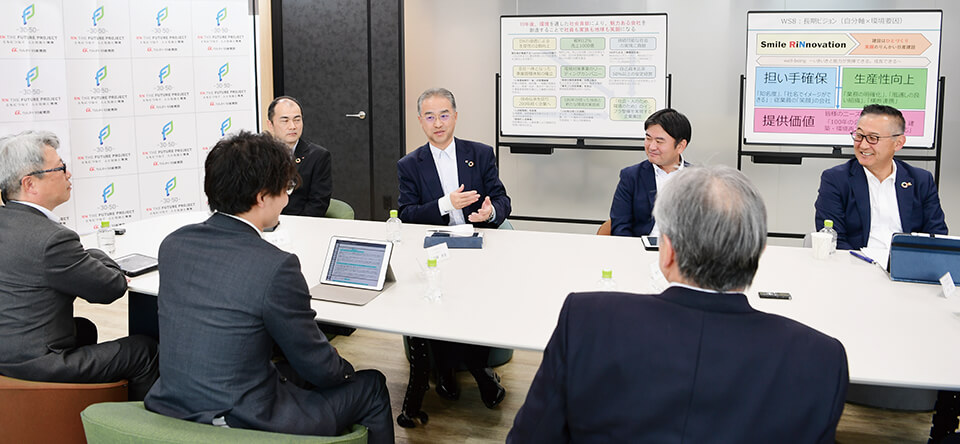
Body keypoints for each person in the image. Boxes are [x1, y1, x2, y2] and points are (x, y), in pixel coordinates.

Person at [509, 165, 849, 443]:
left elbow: (532, 437)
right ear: (757, 252)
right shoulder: (820, 357)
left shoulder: (587, 321)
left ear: (667, 250)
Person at [144, 131, 392, 443]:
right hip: (238, 417)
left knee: (293, 372)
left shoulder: (174, 244)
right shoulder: (276, 265)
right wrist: (346, 371)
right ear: (262, 197)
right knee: (371, 387)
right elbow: (317, 364)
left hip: (173, 402)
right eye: (285, 189)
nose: (287, 198)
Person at [0, 130, 159, 400]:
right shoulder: (51, 239)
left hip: (8, 352)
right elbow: (110, 288)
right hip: (35, 363)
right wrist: (96, 252)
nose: (68, 174)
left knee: (83, 328)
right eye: (60, 168)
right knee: (144, 351)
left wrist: (85, 255)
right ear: (30, 184)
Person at [395, 87, 510, 424]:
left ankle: (477, 366)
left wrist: (488, 213)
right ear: (420, 122)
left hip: (477, 245)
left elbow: (503, 200)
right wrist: (447, 205)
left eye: (444, 114)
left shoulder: (481, 153)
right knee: (438, 296)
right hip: (436, 249)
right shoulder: (409, 164)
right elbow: (407, 214)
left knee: (477, 296)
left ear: (456, 116)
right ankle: (445, 369)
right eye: (429, 117)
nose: (438, 123)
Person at [815, 104, 947, 250]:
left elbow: (936, 235)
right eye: (859, 136)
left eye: (873, 138)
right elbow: (834, 238)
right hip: (855, 265)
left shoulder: (921, 180)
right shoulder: (836, 179)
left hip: (907, 266)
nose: (863, 145)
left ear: (898, 143)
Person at [609, 108, 692, 237]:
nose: (651, 147)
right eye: (648, 138)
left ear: (680, 146)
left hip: (684, 252)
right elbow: (620, 227)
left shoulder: (699, 180)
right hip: (640, 250)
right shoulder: (631, 176)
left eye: (659, 141)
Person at [265, 95, 333, 217]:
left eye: (297, 120)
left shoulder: (318, 156)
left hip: (301, 223)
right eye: (285, 121)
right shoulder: (260, 154)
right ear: (270, 125)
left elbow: (318, 204)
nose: (292, 126)